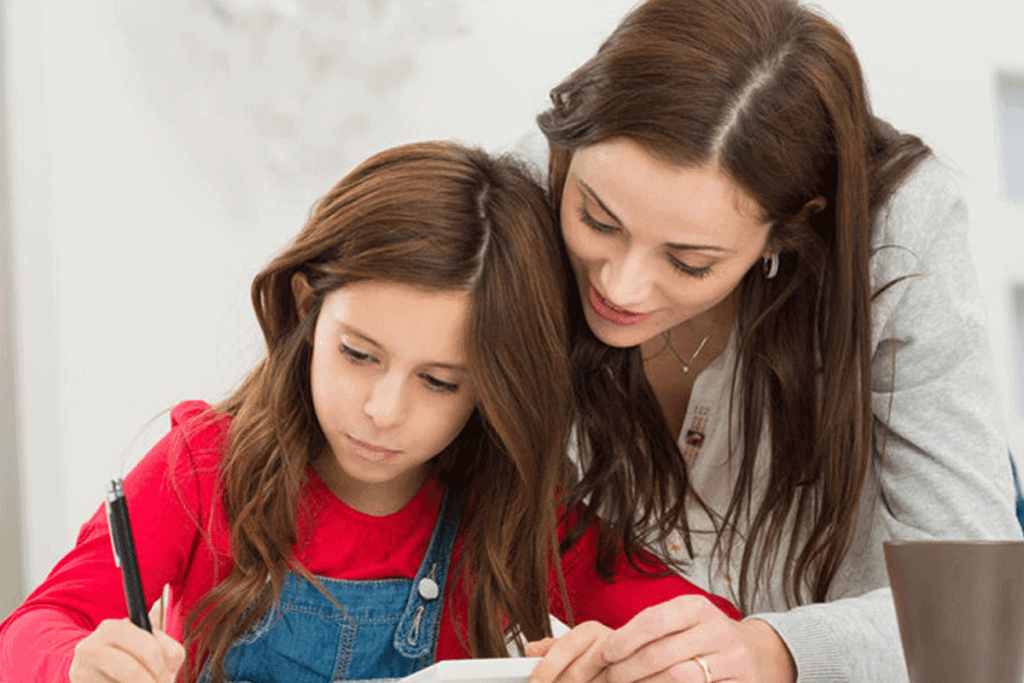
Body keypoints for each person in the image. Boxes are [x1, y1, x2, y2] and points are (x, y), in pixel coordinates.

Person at [0, 141, 740, 683]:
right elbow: (28, 629)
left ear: (494, 388)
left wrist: (622, 662)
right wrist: (75, 664)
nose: (384, 411)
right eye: (358, 354)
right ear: (306, 308)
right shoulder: (201, 468)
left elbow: (720, 638)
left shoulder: (516, 514)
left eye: (441, 382)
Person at [520, 1, 1024, 682]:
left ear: (789, 229)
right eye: (596, 219)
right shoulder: (526, 192)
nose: (622, 287)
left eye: (690, 261)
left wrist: (773, 651)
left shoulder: (896, 229)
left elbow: (975, 620)